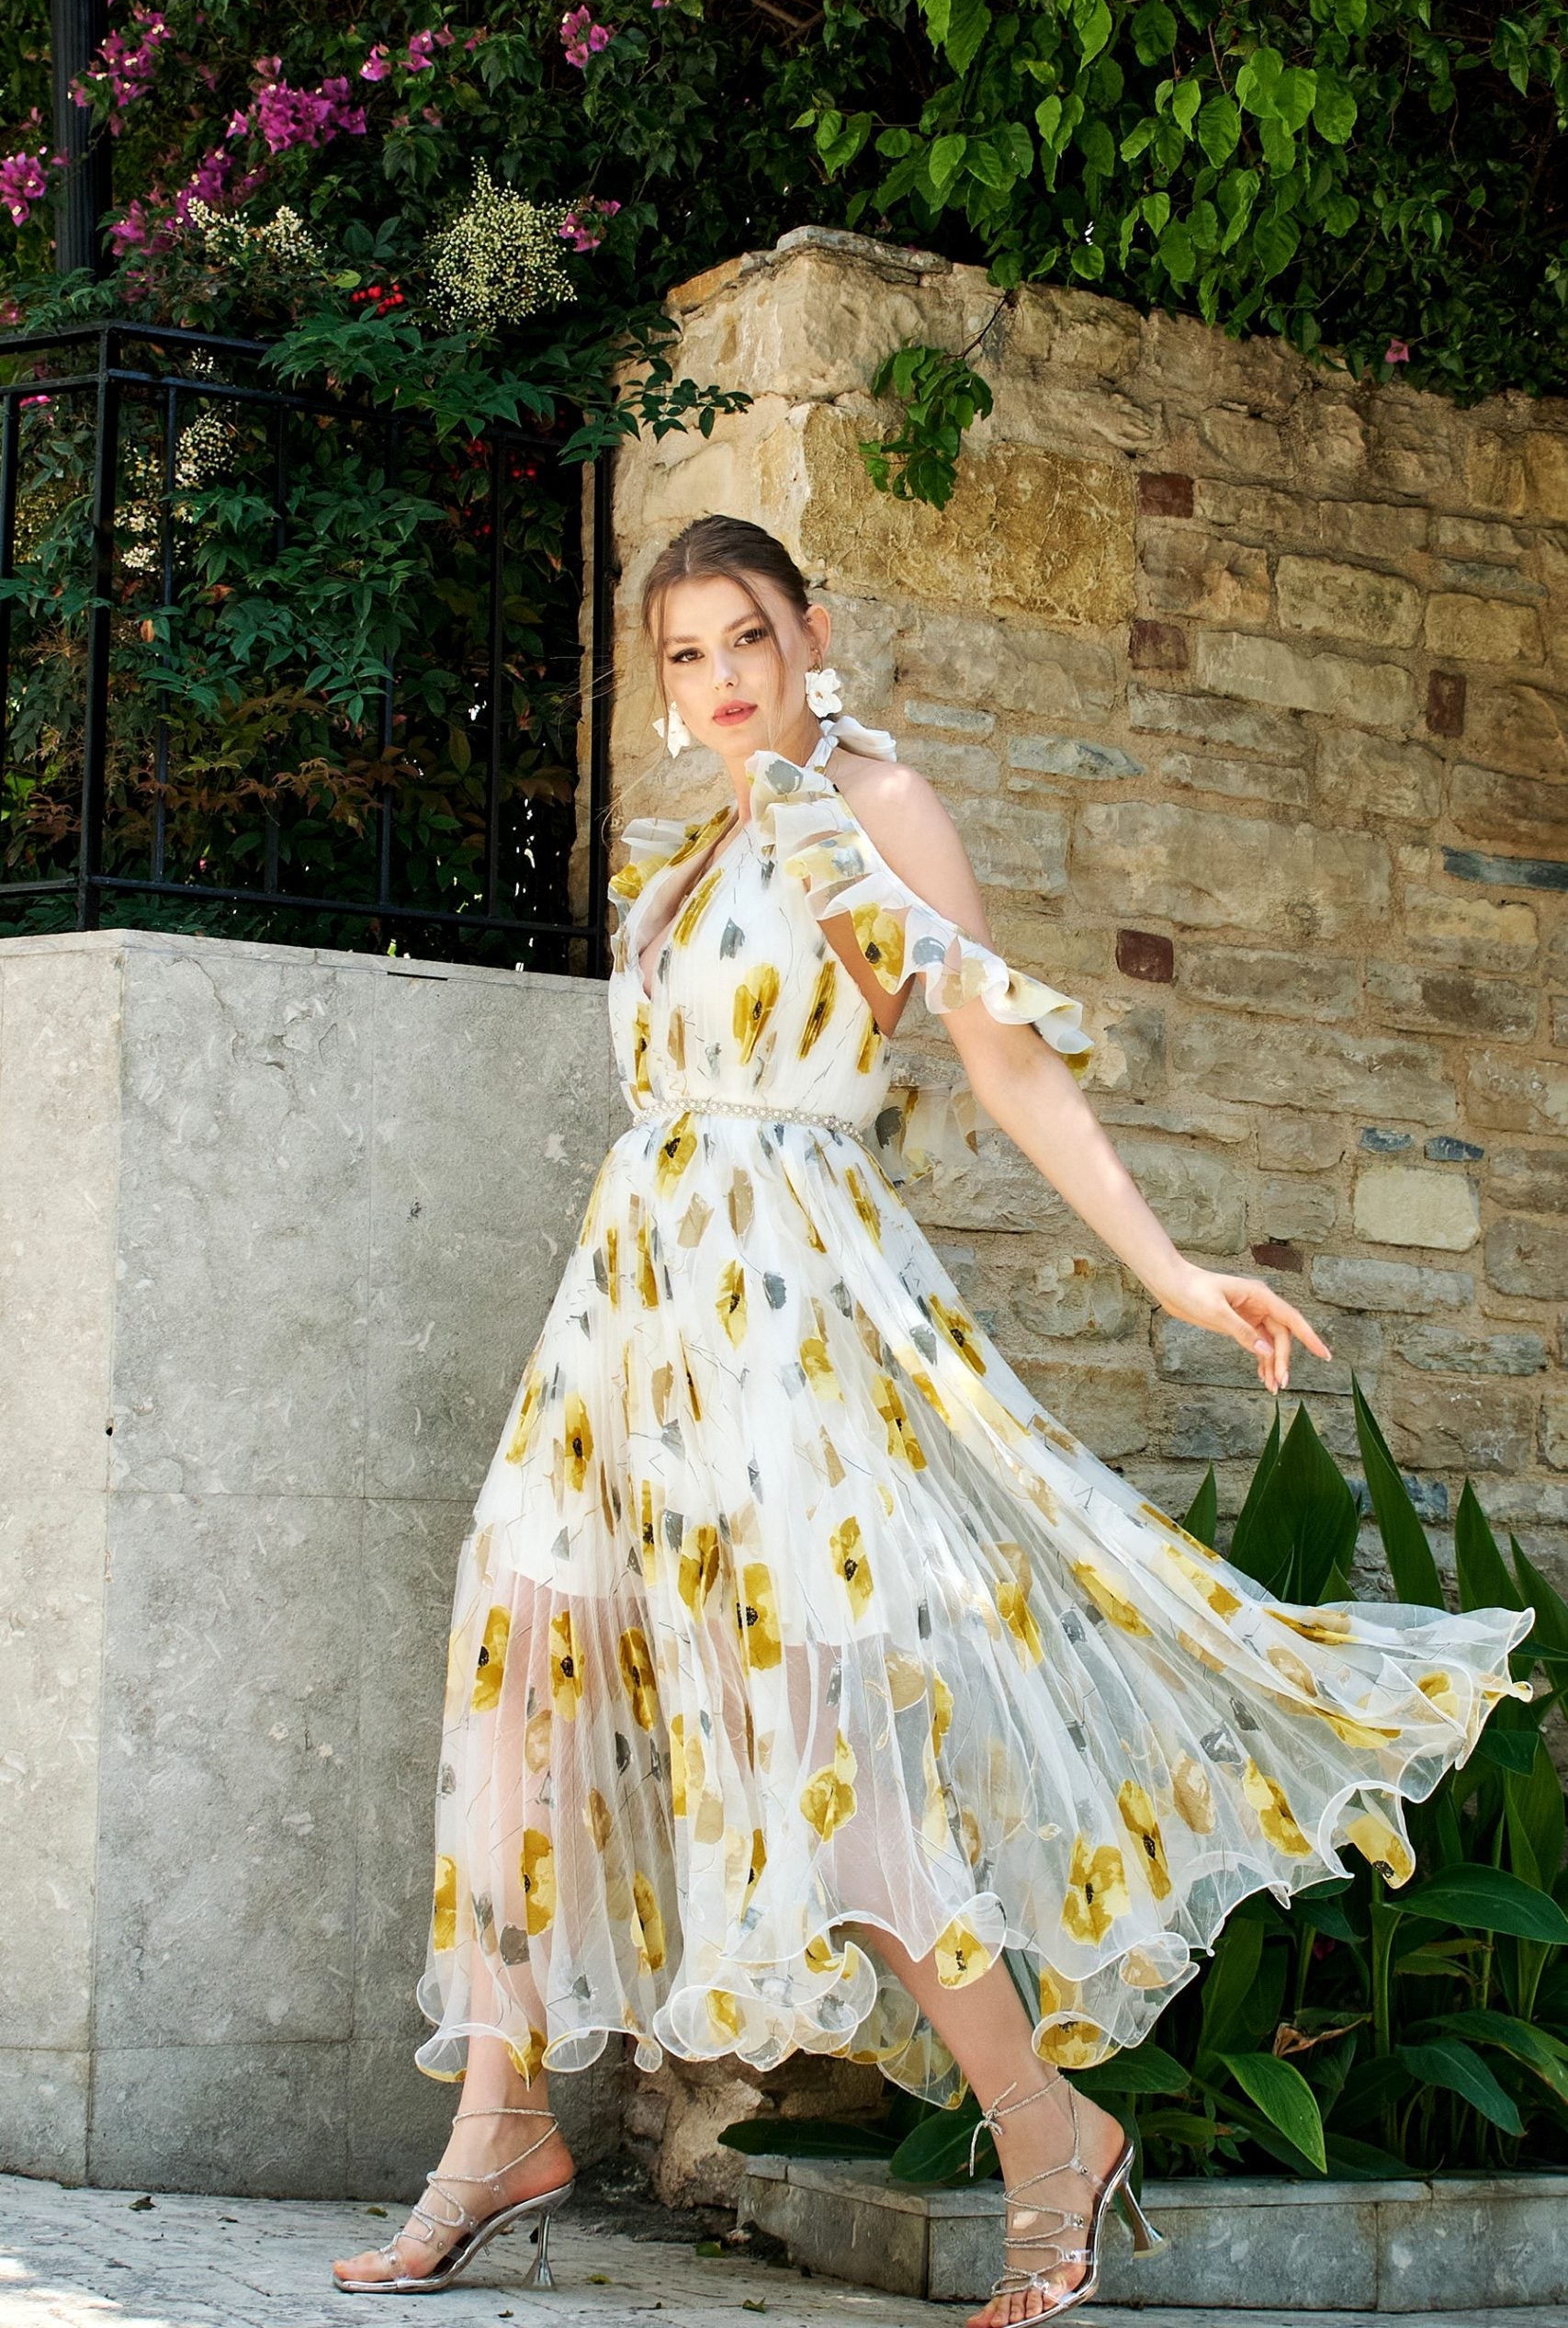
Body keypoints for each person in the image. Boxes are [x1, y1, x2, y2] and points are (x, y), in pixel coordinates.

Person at [332, 514, 1533, 2325]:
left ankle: (1049, 2133)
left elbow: (992, 1049)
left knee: (819, 1740)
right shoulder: (692, 846)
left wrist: (1165, 1268)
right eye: (684, 653)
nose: (720, 676)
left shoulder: (870, 807)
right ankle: (497, 2125)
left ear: (811, 634)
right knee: (518, 1670)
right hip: (627, 1319)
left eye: (747, 636)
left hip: (781, 1314)